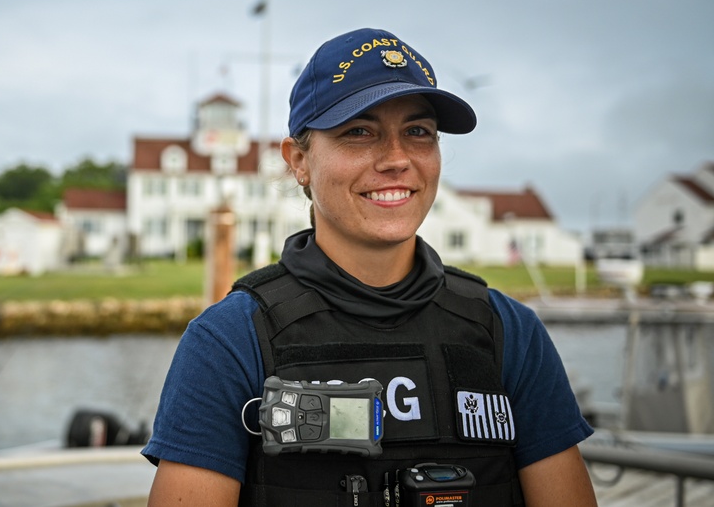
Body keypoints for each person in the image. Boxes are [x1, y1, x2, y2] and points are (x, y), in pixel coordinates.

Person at [143, 27, 597, 506]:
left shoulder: (509, 332)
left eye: (417, 132)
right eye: (359, 132)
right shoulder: (229, 341)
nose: (397, 159)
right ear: (298, 160)